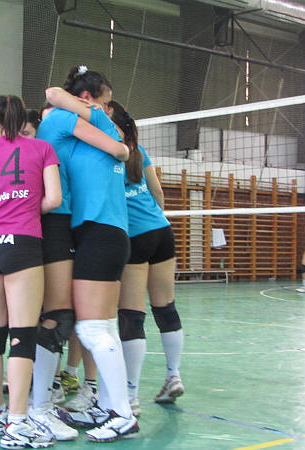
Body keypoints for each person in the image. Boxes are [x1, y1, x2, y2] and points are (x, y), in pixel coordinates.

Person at [43, 65, 138, 442]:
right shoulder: (76, 127)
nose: (108, 109)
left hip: (100, 232)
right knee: (103, 326)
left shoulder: (99, 126)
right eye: (105, 102)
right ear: (87, 98)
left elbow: (118, 145)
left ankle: (123, 413)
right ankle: (108, 405)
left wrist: (96, 114)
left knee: (91, 328)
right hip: (101, 232)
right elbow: (54, 96)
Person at [0, 95, 62, 448]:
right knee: (22, 336)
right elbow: (54, 199)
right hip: (21, 242)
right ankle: (17, 423)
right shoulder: (42, 148)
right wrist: (24, 207)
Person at [107, 100, 185, 416]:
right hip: (162, 231)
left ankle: (131, 395)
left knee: (131, 314)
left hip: (135, 237)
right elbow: (158, 193)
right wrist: (153, 220)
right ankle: (173, 375)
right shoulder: (139, 152)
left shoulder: (108, 155)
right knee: (165, 307)